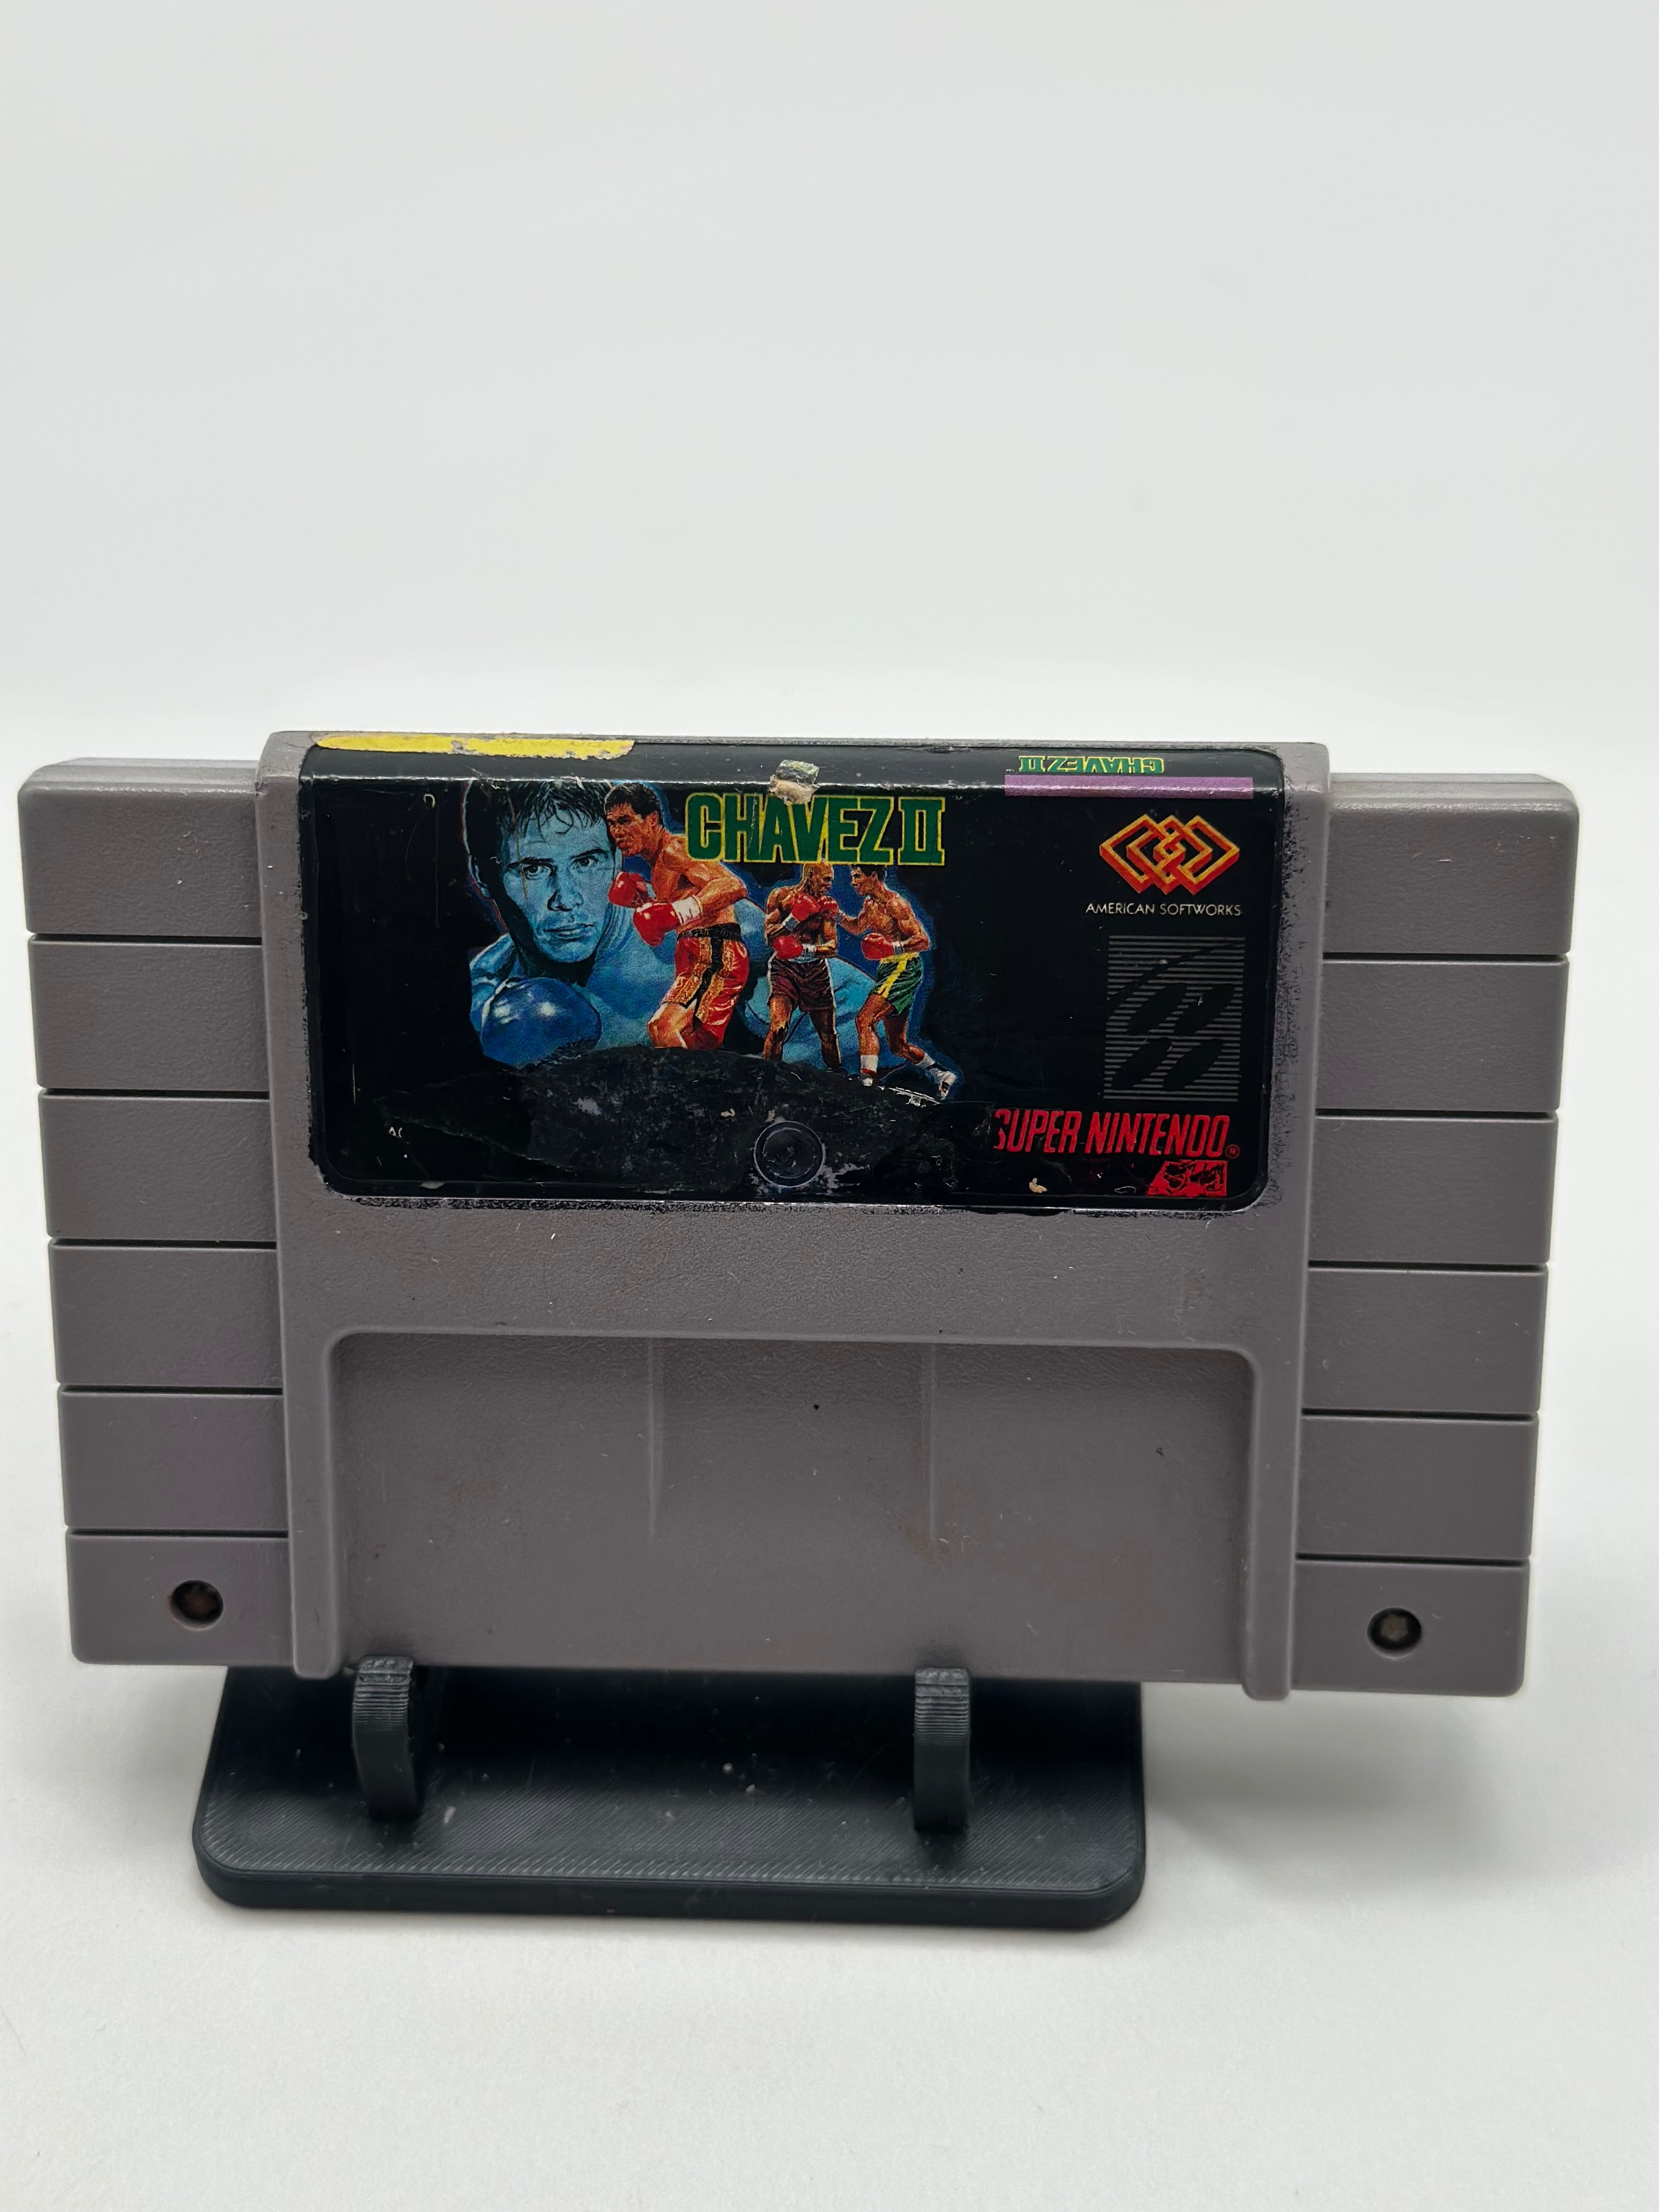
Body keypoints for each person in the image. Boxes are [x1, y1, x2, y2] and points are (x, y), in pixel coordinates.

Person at [603, 783, 751, 1049]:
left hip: (714, 950)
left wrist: (677, 911)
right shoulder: (658, 866)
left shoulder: (676, 849)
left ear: (652, 819)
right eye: (612, 824)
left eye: (625, 821)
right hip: (693, 952)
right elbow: (665, 924)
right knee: (691, 1044)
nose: (617, 832)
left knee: (663, 1026)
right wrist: (646, 904)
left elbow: (733, 886)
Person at [839, 864, 955, 1096]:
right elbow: (857, 927)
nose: (853, 882)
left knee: (865, 1020)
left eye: (858, 876)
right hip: (889, 969)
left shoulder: (895, 904)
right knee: (897, 1046)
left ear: (874, 876)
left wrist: (893, 948)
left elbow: (923, 940)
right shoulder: (870, 904)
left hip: (904, 967)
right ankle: (941, 1074)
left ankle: (867, 1082)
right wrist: (837, 915)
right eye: (852, 878)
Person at [761, 861, 843, 1071]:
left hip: (815, 971)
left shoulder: (827, 906)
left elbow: (832, 947)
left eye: (831, 880)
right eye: (826, 879)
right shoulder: (781, 896)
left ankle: (838, 1079)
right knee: (779, 1028)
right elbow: (769, 936)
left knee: (828, 1034)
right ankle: (766, 1076)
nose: (829, 885)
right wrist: (794, 918)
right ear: (812, 875)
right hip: (785, 969)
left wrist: (804, 950)